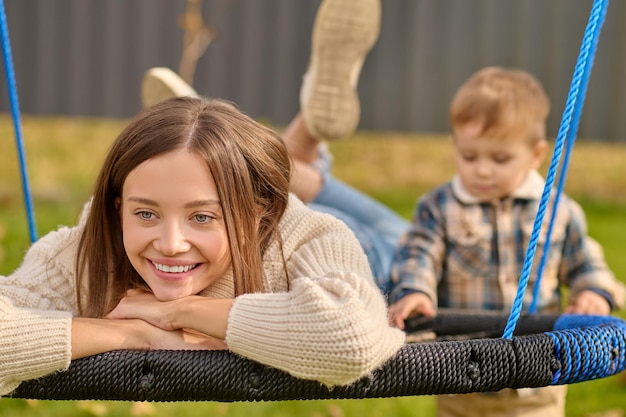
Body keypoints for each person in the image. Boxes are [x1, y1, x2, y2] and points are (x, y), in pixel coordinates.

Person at [0, 94, 407, 396]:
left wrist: (177, 310)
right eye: (145, 214)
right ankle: (293, 152)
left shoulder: (308, 237)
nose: (171, 245)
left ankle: (301, 152)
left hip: (386, 263)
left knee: (397, 234)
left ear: (254, 217)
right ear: (119, 207)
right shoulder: (88, 249)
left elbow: (349, 337)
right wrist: (137, 335)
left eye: (202, 217)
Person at [387, 66, 625, 417]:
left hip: (537, 376)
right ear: (455, 146)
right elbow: (418, 254)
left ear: (535, 154)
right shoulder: (438, 208)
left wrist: (593, 293)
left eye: (500, 159)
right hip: (462, 373)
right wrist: (415, 291)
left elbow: (586, 263)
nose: (482, 170)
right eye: (469, 156)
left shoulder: (557, 210)